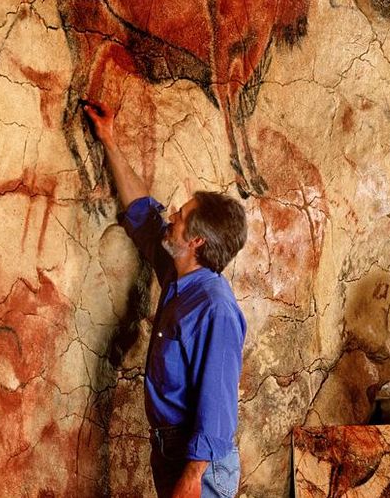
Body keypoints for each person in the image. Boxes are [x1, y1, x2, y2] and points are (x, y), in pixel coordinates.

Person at [84, 100, 248, 498]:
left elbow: (217, 406)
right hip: (170, 452)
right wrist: (109, 139)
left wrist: (193, 479)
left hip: (199, 467)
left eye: (181, 215)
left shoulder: (214, 308)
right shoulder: (178, 273)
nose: (171, 215)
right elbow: (142, 211)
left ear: (195, 241)